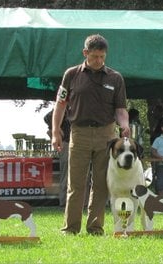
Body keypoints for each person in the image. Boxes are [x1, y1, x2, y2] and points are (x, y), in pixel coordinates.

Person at [51, 34, 130, 236]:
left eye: (102, 56)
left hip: (107, 135)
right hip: (79, 134)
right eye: (95, 56)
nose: (99, 61)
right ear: (85, 53)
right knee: (76, 183)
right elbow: (60, 105)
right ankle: (71, 228)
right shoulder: (71, 74)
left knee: (102, 183)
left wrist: (125, 125)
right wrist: (55, 131)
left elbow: (121, 109)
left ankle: (95, 227)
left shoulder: (115, 77)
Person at [44, 108, 71, 207]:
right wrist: (55, 128)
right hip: (66, 143)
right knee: (66, 174)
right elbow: (47, 117)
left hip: (76, 143)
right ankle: (64, 202)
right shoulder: (65, 107)